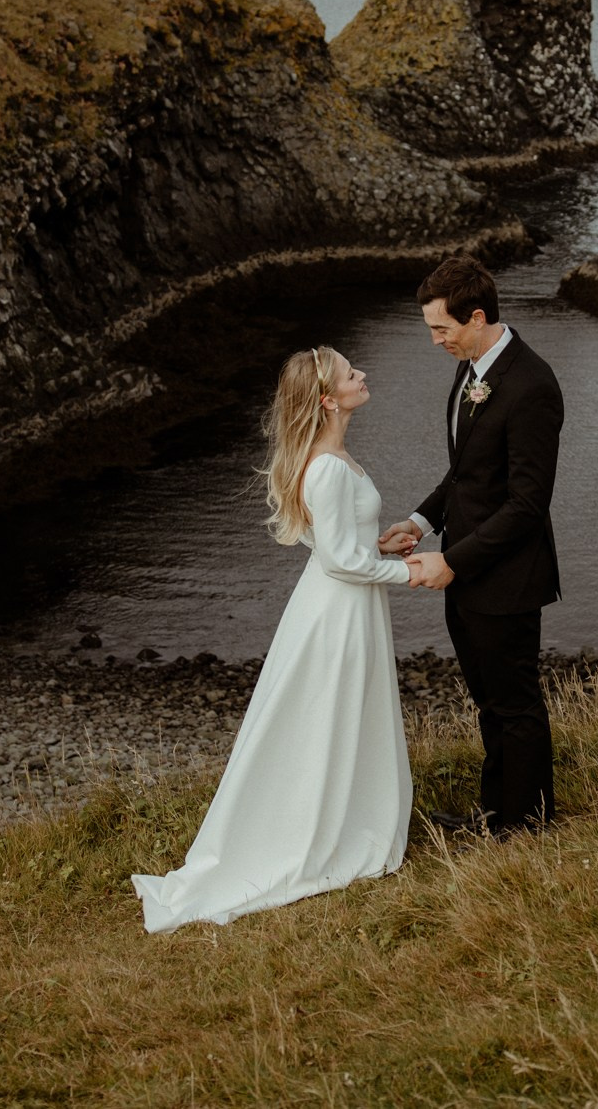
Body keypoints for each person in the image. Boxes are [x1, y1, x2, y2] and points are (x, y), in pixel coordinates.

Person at [131, 346, 430, 932]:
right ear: (327, 398)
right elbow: (341, 563)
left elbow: (340, 548)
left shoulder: (332, 457)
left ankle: (343, 813)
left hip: (342, 601)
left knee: (338, 714)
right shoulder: (325, 466)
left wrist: (379, 548)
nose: (362, 374)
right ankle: (319, 829)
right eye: (351, 373)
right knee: (326, 717)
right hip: (337, 610)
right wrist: (413, 573)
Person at [383, 255, 563, 836]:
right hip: (463, 573)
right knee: (489, 703)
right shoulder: (471, 368)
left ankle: (527, 826)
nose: (435, 340)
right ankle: (496, 815)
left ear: (478, 316)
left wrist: (451, 561)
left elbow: (527, 505)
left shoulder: (532, 385)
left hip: (506, 578)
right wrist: (419, 521)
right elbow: (465, 474)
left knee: (515, 705)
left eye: (442, 329)